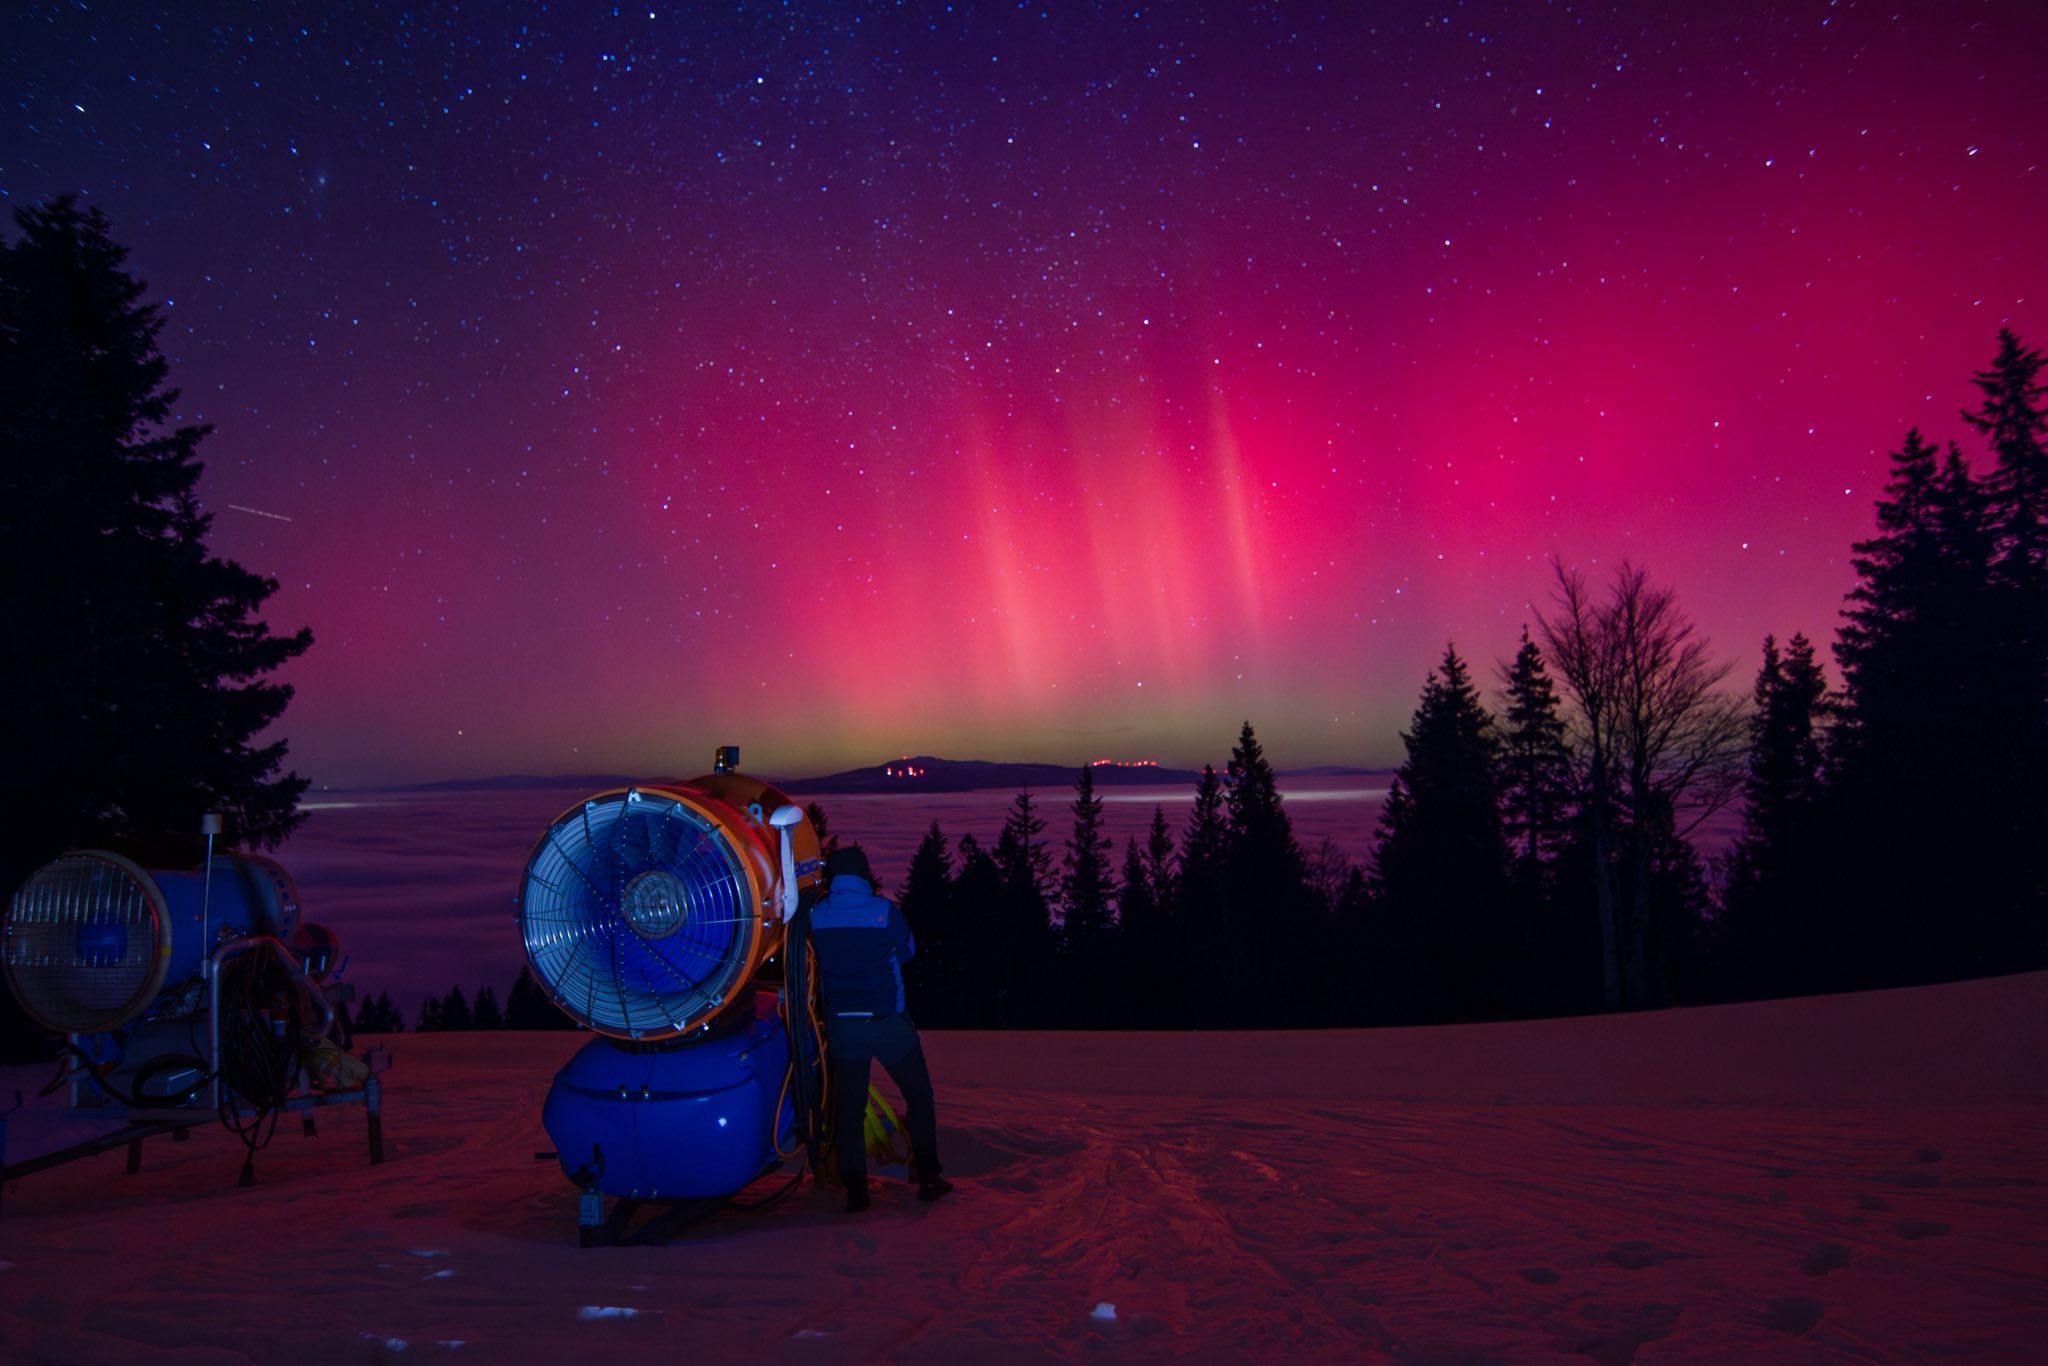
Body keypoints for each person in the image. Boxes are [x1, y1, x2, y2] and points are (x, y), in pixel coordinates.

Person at [807, 843, 951, 1213]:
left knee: (850, 1108)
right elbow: (907, 952)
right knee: (918, 1095)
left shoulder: (816, 915)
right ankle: (928, 1176)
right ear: (864, 874)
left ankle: (856, 1189)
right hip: (888, 1022)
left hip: (842, 1026)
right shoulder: (883, 911)